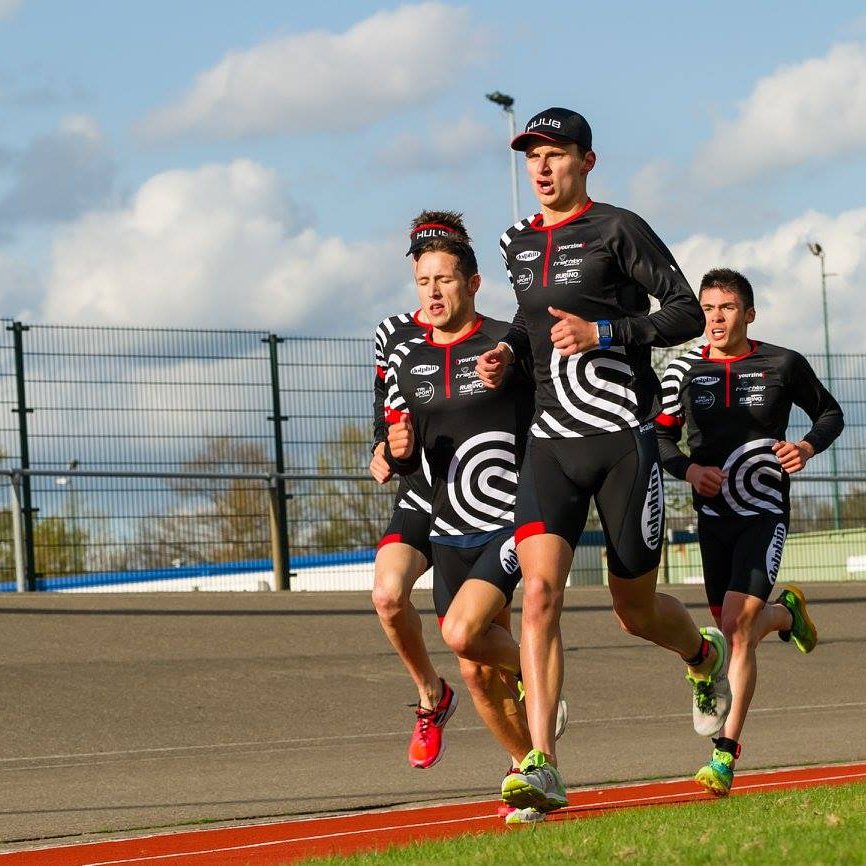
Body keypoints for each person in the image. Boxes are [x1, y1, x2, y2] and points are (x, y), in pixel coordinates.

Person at [475, 106, 731, 813]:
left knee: (634, 610)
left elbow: (684, 311)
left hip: (621, 437)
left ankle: (703, 656)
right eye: (532, 156)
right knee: (539, 598)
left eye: (555, 153)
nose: (542, 167)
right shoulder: (515, 242)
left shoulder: (619, 227)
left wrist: (607, 330)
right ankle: (544, 765)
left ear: (587, 160)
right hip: (550, 442)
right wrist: (506, 359)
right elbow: (534, 334)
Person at [384, 228, 552, 824]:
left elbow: (552, 402)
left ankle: (539, 671)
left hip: (511, 516)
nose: (432, 291)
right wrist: (395, 449)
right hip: (447, 523)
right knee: (476, 671)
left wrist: (512, 363)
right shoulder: (407, 357)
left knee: (460, 632)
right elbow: (405, 452)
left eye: (445, 279)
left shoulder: (508, 340)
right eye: (423, 281)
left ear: (473, 283)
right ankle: (528, 769)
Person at [655, 267, 844, 795]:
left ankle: (724, 755)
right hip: (712, 517)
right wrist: (690, 470)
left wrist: (805, 447)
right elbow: (661, 441)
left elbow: (831, 413)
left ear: (749, 314)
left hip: (764, 510)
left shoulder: (783, 363)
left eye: (728, 308)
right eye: (709, 308)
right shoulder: (682, 373)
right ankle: (786, 614)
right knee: (734, 626)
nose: (716, 318)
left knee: (736, 627)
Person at [369, 212, 470, 769]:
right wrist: (384, 449)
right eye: (421, 268)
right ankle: (432, 696)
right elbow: (385, 419)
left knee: (479, 644)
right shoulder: (393, 334)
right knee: (387, 596)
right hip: (421, 496)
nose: (432, 286)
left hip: (479, 504)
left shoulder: (495, 340)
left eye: (442, 268)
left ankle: (524, 761)